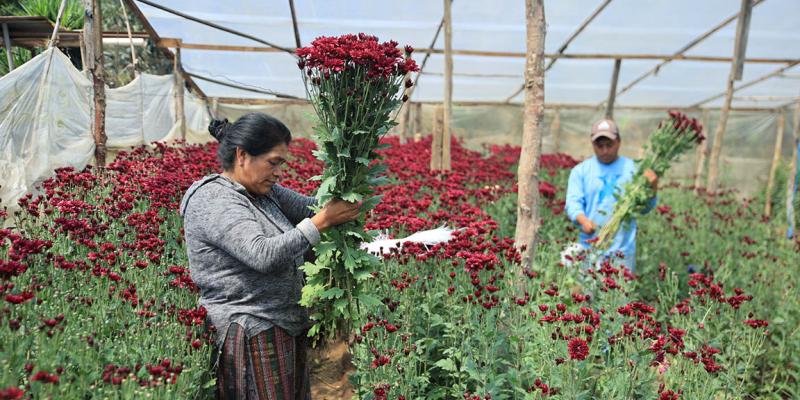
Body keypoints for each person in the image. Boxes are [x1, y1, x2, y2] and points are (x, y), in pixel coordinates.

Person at [179, 112, 359, 399]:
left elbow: (310, 208)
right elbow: (262, 253)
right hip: (252, 331)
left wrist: (349, 196)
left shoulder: (263, 191)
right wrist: (323, 221)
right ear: (242, 155)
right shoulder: (215, 199)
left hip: (282, 323)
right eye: (273, 163)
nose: (278, 172)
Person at [565, 119, 658, 272]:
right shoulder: (581, 171)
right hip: (590, 248)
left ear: (619, 142)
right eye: (599, 146)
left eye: (609, 145)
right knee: (586, 294)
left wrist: (653, 188)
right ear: (592, 144)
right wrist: (583, 221)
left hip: (622, 252)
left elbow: (643, 208)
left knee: (618, 295)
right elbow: (572, 203)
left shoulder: (634, 170)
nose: (605, 151)